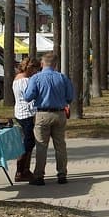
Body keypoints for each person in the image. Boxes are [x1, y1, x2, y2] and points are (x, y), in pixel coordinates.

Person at [23, 52, 75, 186]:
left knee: (41, 146)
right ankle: (62, 174)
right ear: (55, 64)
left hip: (42, 114)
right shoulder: (62, 78)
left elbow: (28, 97)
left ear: (42, 64)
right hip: (59, 114)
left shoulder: (36, 78)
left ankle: (39, 176)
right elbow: (70, 97)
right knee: (60, 146)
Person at [12, 57, 39, 182]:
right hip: (27, 113)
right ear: (31, 68)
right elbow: (30, 97)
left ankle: (23, 170)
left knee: (27, 142)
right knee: (28, 144)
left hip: (19, 112)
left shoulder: (17, 79)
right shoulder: (26, 81)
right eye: (35, 70)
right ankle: (21, 171)